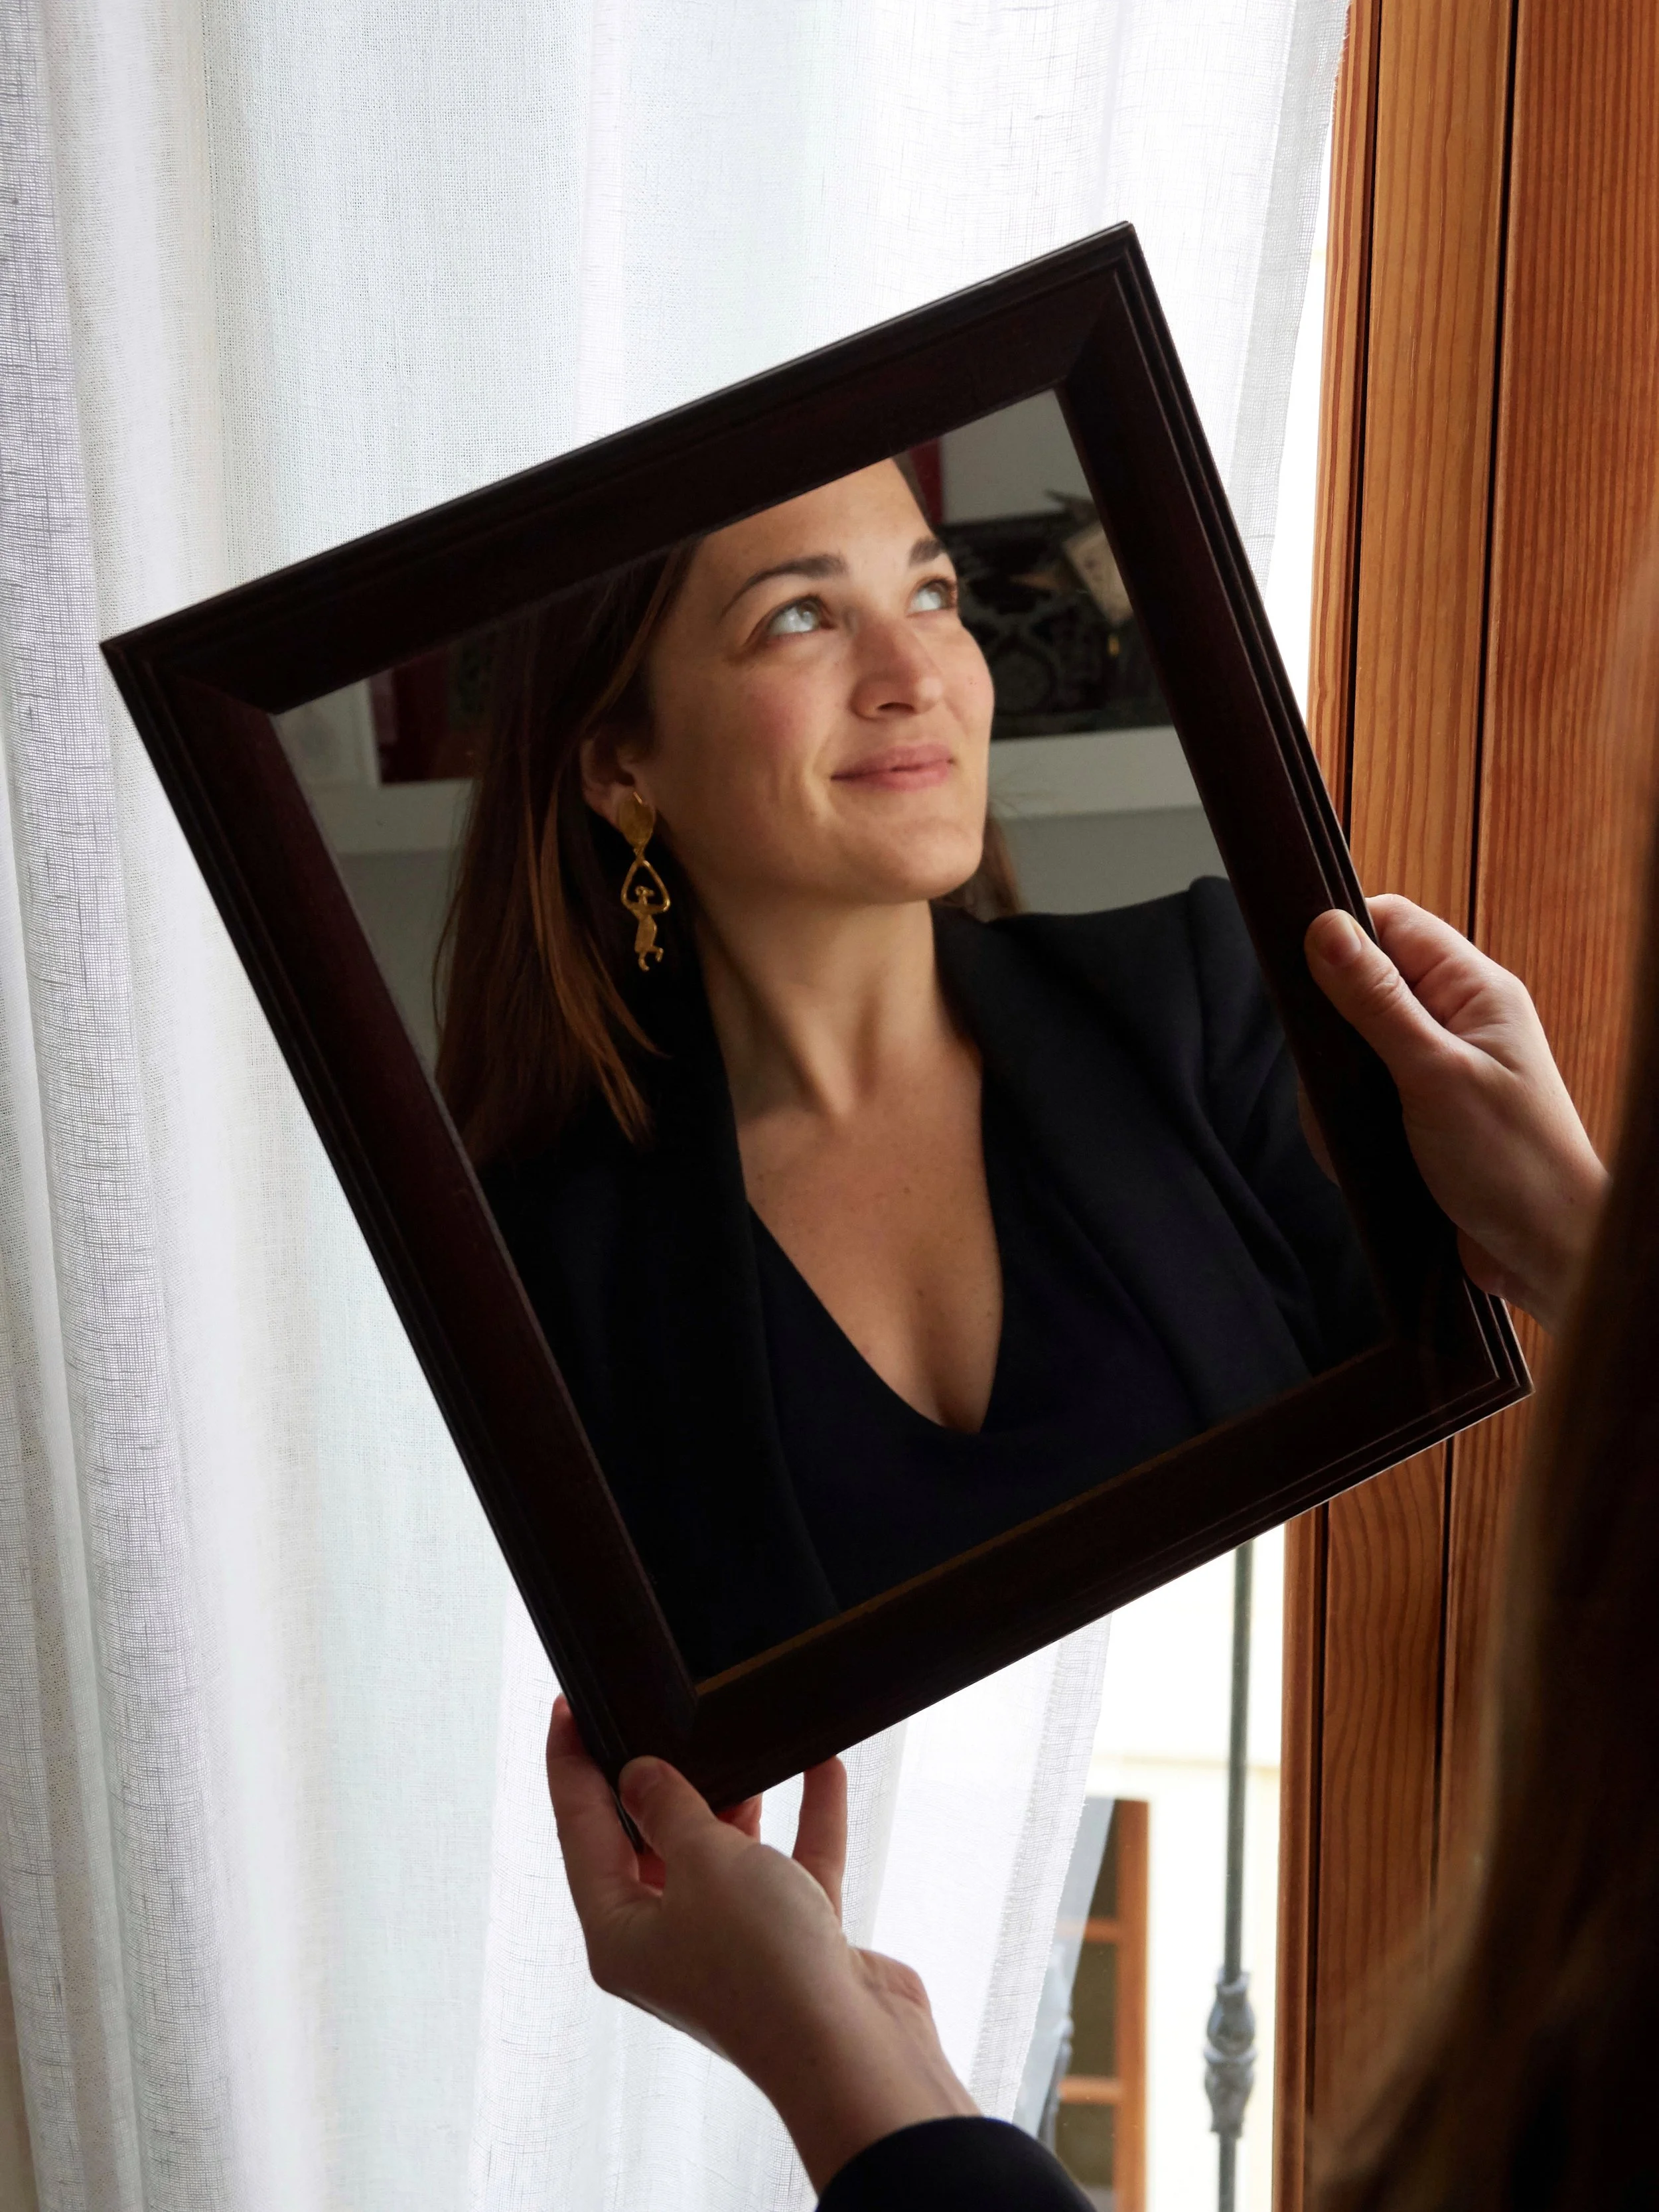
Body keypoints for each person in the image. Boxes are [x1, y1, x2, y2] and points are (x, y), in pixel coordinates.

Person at [544, 879, 1617, 2208]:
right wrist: (1567, 1228)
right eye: (795, 646)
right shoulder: (570, 1243)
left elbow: (1389, 1364)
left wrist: (831, 2052)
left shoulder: (1183, 989)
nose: (915, 665)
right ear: (620, 761)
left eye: (960, 642)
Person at [439, 457, 1380, 1678]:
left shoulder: (1214, 1002)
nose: (917, 676)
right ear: (623, 765)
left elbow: (1463, 1498)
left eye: (933, 596)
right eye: (799, 616)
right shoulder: (534, 1266)